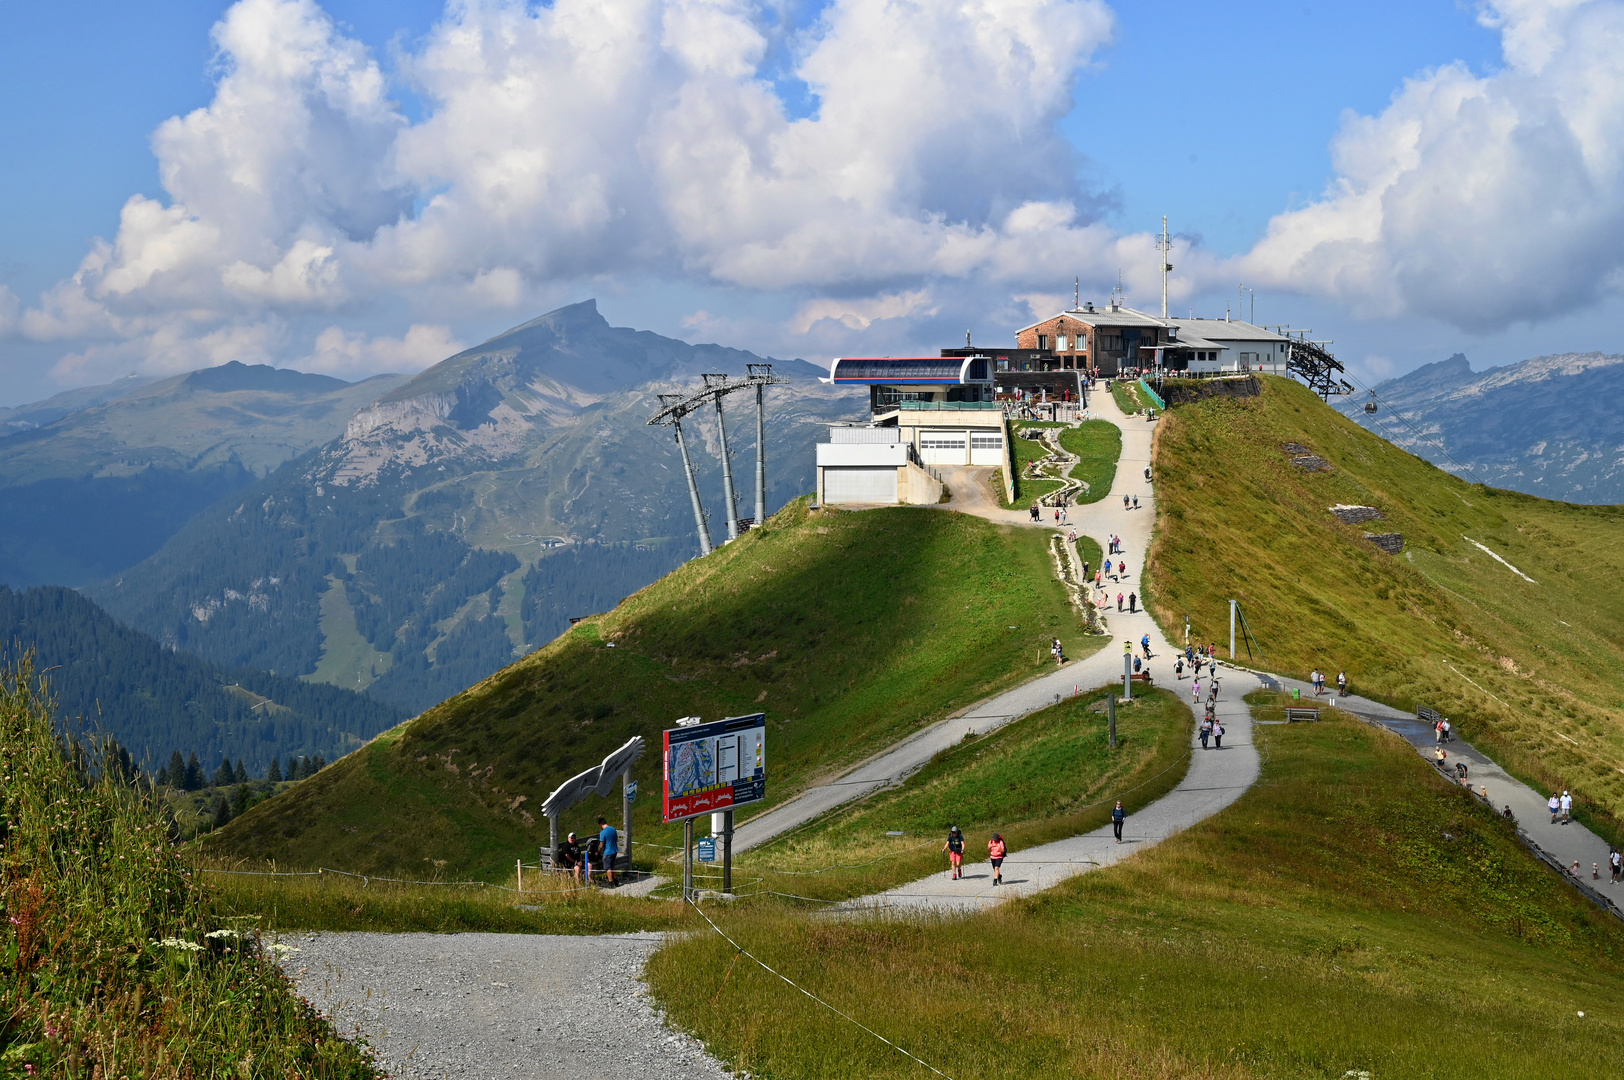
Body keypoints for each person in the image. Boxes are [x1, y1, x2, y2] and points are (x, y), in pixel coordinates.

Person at [597, 816, 619, 886]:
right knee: (613, 866)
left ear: (600, 824)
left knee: (608, 867)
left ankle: (610, 882)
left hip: (608, 851)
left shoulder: (603, 832)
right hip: (614, 850)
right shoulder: (613, 829)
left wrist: (598, 851)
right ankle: (616, 880)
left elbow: (601, 844)